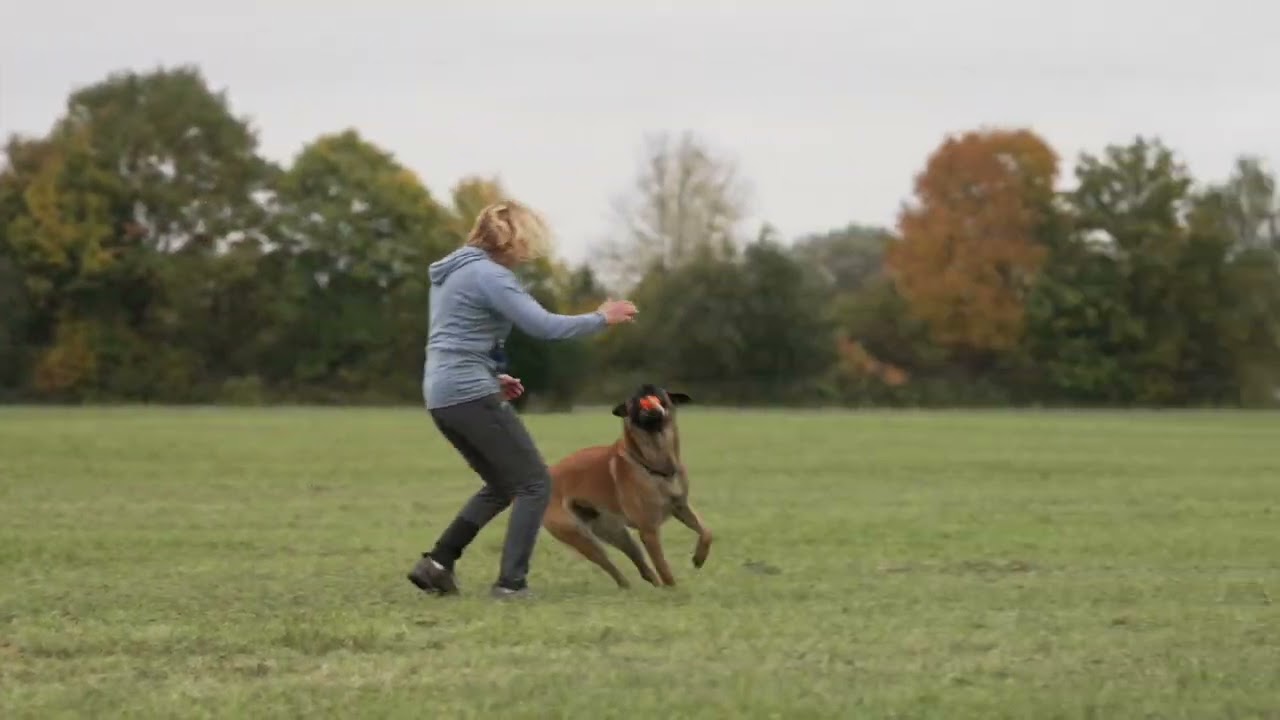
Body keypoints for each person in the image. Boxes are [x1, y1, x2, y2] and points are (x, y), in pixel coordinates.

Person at [407, 200, 637, 600]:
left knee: (501, 483)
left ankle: (438, 564)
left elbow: (456, 337)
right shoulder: (489, 275)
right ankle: (511, 584)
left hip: (443, 394)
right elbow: (543, 326)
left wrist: (493, 375)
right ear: (514, 240)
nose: (529, 255)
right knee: (535, 483)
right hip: (467, 391)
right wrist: (602, 317)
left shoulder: (455, 272)